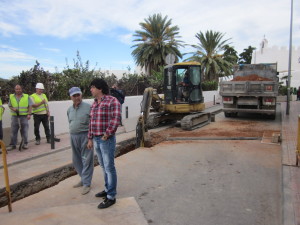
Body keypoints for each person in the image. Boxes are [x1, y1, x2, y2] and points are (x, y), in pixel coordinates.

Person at [87, 78, 121, 209]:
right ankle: (107, 189)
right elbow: (91, 122)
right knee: (103, 166)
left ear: (100, 88)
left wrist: (107, 134)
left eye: (92, 87)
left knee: (109, 167)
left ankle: (111, 196)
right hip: (96, 139)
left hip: (106, 139)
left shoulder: (112, 101)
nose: (91, 89)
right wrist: (90, 138)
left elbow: (116, 118)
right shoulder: (94, 103)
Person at [67, 87, 94, 195]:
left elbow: (92, 124)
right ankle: (83, 179)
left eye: (78, 95)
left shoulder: (89, 107)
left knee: (87, 160)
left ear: (81, 95)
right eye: (74, 96)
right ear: (71, 97)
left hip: (85, 136)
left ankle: (87, 184)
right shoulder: (69, 109)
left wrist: (90, 139)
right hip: (73, 136)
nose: (77, 97)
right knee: (76, 160)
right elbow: (70, 122)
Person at [7, 85, 32, 150]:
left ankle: (25, 144)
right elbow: (9, 105)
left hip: (24, 116)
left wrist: (29, 114)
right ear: (15, 90)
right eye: (17, 89)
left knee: (24, 131)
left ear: (21, 89)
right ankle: (13, 145)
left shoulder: (26, 96)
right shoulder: (11, 97)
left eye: (19, 89)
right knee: (13, 131)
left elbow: (30, 105)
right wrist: (13, 109)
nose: (18, 90)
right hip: (15, 117)